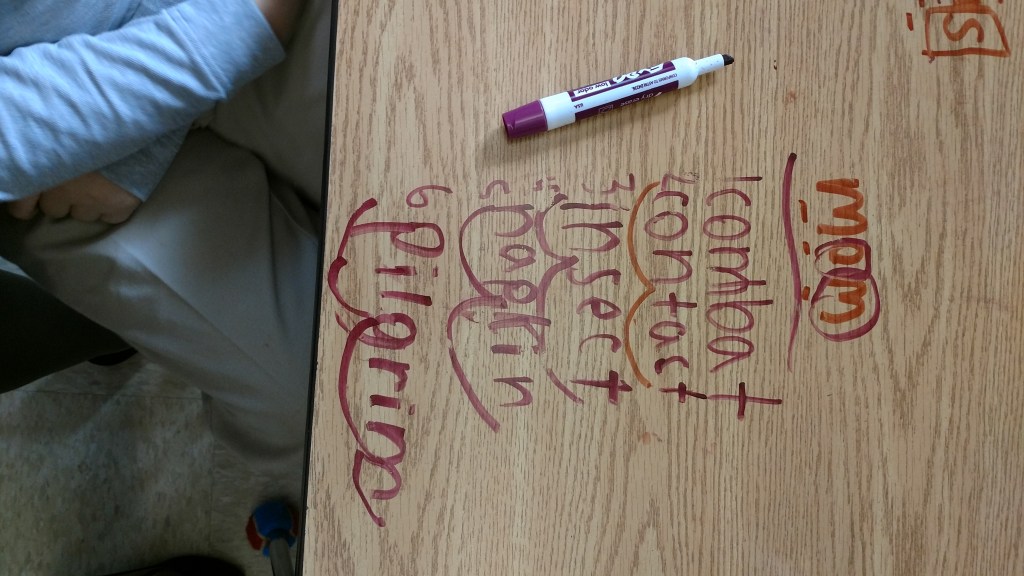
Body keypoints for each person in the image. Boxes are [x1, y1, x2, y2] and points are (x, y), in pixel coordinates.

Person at [0, 1, 329, 570]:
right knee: (331, 411)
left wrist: (231, 31)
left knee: (442, 148)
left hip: (235, 12)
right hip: (46, 164)